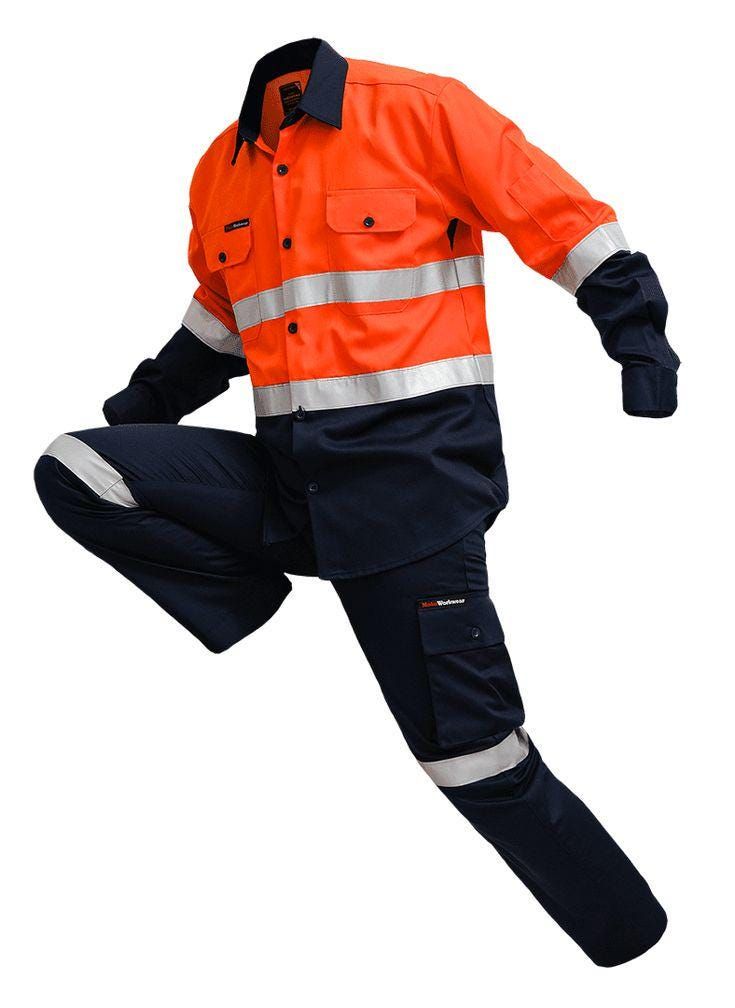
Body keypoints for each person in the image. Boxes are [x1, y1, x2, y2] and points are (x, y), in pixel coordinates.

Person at [35, 38, 678, 965]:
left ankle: (631, 937)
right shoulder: (219, 169)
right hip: (292, 483)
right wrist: (146, 403)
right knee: (78, 469)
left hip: (411, 496)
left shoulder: (422, 110)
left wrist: (640, 348)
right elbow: (223, 315)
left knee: (471, 759)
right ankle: (252, 600)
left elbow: (565, 223)